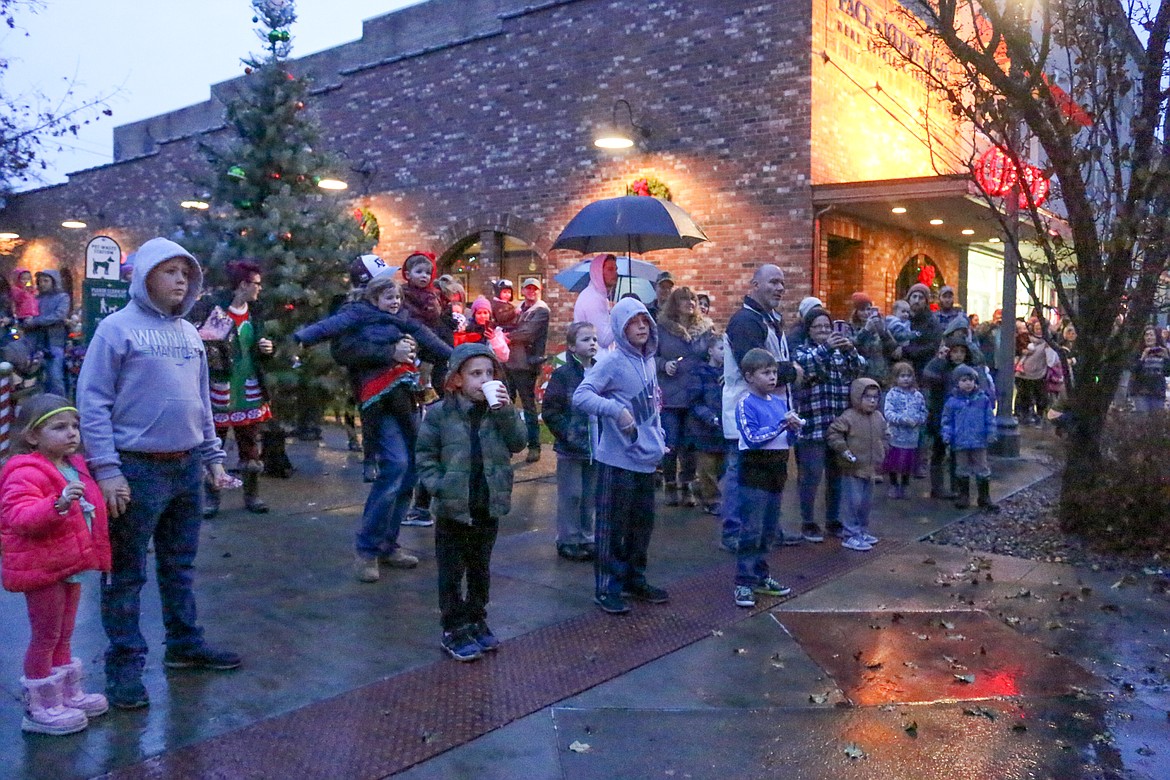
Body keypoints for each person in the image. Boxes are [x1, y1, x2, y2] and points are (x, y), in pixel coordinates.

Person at [77, 237, 242, 711]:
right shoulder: (116, 330)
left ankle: (185, 646)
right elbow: (93, 402)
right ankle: (125, 666)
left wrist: (212, 458)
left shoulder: (191, 334)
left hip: (186, 466)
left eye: (186, 274)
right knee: (126, 574)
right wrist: (107, 471)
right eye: (170, 272)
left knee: (179, 565)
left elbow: (201, 402)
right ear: (145, 274)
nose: (180, 281)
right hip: (135, 470)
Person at [1, 394, 111, 735]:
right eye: (59, 427)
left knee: (64, 632)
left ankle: (66, 694)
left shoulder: (74, 464)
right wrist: (57, 504)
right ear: (33, 436)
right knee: (46, 634)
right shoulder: (24, 470)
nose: (71, 433)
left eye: (74, 426)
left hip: (69, 563)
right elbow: (18, 516)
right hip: (43, 567)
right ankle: (40, 707)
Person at [416, 343, 526, 661]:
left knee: (480, 568)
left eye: (489, 373)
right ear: (457, 379)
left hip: (486, 503)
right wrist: (438, 485)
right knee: (452, 571)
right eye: (476, 373)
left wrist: (505, 411)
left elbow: (518, 443)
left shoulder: (500, 412)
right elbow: (424, 455)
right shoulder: (439, 414)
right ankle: (453, 627)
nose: (484, 379)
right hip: (453, 508)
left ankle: (477, 619)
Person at [573, 297, 669, 615]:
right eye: (633, 322)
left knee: (642, 527)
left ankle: (633, 579)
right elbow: (582, 395)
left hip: (646, 460)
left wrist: (659, 439)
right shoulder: (611, 362)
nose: (641, 326)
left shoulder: (649, 362)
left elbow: (652, 409)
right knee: (612, 528)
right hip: (616, 462)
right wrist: (615, 410)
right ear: (619, 327)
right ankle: (607, 588)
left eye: (645, 321)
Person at [720, 265, 801, 552]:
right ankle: (734, 532)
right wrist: (792, 371)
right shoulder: (745, 321)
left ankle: (768, 529)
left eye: (782, 282)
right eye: (773, 282)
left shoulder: (766, 320)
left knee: (767, 474)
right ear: (754, 284)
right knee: (740, 475)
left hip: (769, 412)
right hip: (746, 413)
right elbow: (751, 367)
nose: (780, 288)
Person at [195, 261, 274, 516]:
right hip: (221, 385)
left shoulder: (255, 312)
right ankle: (212, 497)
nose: (259, 289)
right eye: (257, 284)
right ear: (243, 285)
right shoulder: (214, 309)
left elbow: (259, 348)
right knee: (214, 441)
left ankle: (252, 495)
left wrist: (268, 349)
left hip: (248, 386)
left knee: (250, 442)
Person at [792, 306, 865, 542]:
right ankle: (808, 521)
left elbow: (859, 370)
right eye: (818, 327)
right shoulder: (802, 351)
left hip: (837, 427)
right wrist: (826, 348)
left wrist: (850, 350)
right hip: (812, 424)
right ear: (809, 330)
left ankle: (833, 519)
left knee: (836, 476)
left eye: (827, 326)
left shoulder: (838, 352)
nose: (823, 330)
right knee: (810, 477)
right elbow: (807, 367)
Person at [731, 348, 797, 608]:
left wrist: (793, 430)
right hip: (754, 473)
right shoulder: (746, 403)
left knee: (769, 529)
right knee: (751, 528)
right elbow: (752, 438)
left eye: (774, 372)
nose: (772, 377)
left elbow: (785, 440)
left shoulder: (779, 403)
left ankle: (761, 574)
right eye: (765, 373)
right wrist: (781, 425)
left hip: (776, 472)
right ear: (749, 377)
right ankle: (743, 581)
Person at [542, 321, 599, 562]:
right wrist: (568, 433)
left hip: (595, 444)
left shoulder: (600, 371)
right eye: (586, 340)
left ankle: (587, 537)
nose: (592, 343)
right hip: (571, 445)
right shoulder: (564, 374)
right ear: (573, 347)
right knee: (572, 494)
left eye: (594, 339)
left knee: (590, 495)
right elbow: (551, 410)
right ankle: (568, 538)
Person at [655, 286, 715, 507]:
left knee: (690, 444)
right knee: (670, 442)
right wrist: (664, 364)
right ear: (674, 303)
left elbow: (713, 354)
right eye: (684, 299)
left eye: (693, 299)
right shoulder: (661, 329)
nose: (690, 303)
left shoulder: (706, 329)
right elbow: (652, 357)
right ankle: (670, 483)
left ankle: (687, 484)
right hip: (670, 394)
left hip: (695, 394)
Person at [924, 335, 991, 503]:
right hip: (941, 413)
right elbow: (928, 376)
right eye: (955, 351)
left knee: (958, 455)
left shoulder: (970, 371)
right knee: (939, 451)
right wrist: (938, 360)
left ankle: (958, 489)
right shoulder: (942, 367)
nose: (958, 355)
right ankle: (938, 487)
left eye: (962, 351)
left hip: (964, 419)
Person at [827, 378, 887, 551]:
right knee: (852, 502)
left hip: (872, 468)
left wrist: (884, 450)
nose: (872, 401)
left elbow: (886, 434)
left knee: (866, 503)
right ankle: (850, 534)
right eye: (867, 397)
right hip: (852, 468)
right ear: (856, 397)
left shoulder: (878, 417)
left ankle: (861, 530)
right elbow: (833, 433)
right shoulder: (849, 417)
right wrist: (844, 450)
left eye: (875, 397)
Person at [504, 277, 550, 463]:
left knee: (528, 406)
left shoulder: (541, 310)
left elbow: (528, 332)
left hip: (526, 365)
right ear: (522, 290)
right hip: (508, 362)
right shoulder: (517, 308)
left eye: (535, 289)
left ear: (539, 291)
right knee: (505, 405)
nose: (531, 292)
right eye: (528, 288)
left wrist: (505, 336)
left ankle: (534, 446)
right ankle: (507, 445)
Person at [941, 364, 999, 511]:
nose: (968, 383)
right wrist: (946, 435)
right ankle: (963, 495)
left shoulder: (983, 399)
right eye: (964, 380)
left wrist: (991, 432)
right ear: (957, 382)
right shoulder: (952, 401)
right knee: (962, 468)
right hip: (960, 441)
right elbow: (946, 420)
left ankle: (984, 496)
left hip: (979, 441)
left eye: (971, 380)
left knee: (982, 467)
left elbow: (989, 418)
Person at [687, 336, 726, 516]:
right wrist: (708, 417)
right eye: (721, 348)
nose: (724, 352)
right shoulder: (700, 373)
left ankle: (705, 490)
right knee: (708, 467)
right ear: (710, 351)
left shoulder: (729, 375)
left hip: (723, 428)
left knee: (722, 467)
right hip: (705, 429)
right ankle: (711, 500)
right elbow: (695, 401)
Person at [881, 362, 927, 499]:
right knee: (894, 462)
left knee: (908, 462)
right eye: (902, 376)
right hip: (895, 435)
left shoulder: (917, 395)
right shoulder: (892, 394)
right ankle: (894, 484)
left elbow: (923, 411)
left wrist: (918, 420)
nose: (906, 379)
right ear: (895, 378)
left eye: (909, 376)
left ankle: (905, 485)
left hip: (912, 436)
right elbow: (888, 413)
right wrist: (903, 420)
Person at [23, 270, 71, 396]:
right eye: (40, 281)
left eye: (46, 280)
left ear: (54, 282)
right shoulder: (35, 298)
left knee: (55, 375)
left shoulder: (62, 297)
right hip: (36, 342)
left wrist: (36, 321)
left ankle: (60, 406)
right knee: (37, 377)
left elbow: (58, 315)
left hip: (54, 340)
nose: (43, 284)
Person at [1014, 319, 1058, 425]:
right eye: (1037, 328)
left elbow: (1051, 361)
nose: (1038, 331)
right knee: (1023, 396)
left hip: (1039, 373)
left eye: (1041, 328)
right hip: (1023, 374)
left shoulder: (1047, 343)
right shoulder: (1025, 339)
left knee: (1041, 396)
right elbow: (1017, 351)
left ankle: (1040, 416)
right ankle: (1022, 415)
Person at [572, 253, 618, 349]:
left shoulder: (598, 296)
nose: (615, 273)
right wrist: (619, 316)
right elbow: (604, 340)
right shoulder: (593, 299)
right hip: (594, 360)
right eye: (610, 269)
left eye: (615, 269)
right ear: (598, 272)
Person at [849, 293, 897, 385]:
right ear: (855, 311)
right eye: (862, 310)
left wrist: (883, 331)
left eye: (868, 309)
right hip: (861, 376)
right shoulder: (850, 328)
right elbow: (853, 346)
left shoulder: (879, 327)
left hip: (882, 377)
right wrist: (866, 330)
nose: (866, 313)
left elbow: (892, 348)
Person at [1129, 325, 1169, 413]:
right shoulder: (1138, 352)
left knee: (1155, 422)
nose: (1149, 337)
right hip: (1141, 392)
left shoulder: (1162, 351)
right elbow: (1134, 370)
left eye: (1151, 335)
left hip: (1158, 393)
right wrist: (1142, 358)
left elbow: (1167, 372)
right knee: (1142, 419)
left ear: (1156, 337)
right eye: (1146, 335)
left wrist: (1166, 358)